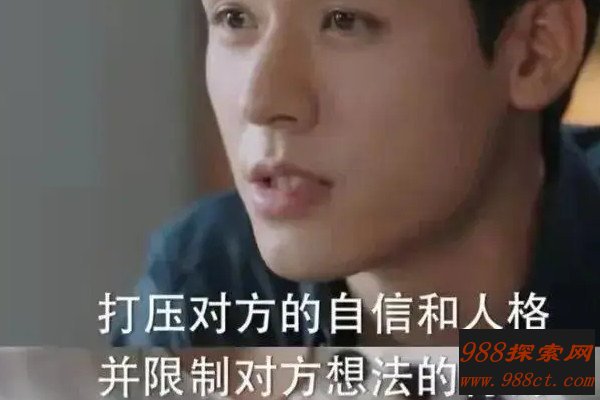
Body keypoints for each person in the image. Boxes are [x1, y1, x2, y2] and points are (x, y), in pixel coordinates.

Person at [112, 0, 600, 347]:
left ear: (536, 51)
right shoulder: (208, 284)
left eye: (345, 22)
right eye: (234, 18)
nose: (261, 101)